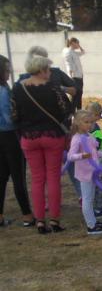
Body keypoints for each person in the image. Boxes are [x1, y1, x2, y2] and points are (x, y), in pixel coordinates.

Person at [12, 55, 69, 234]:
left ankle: (39, 221)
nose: (50, 73)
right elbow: (65, 111)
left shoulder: (18, 88)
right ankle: (54, 220)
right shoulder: (53, 88)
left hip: (29, 137)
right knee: (53, 178)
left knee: (37, 179)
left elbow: (14, 115)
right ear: (42, 70)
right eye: (49, 69)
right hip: (52, 135)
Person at [66, 110, 102, 235]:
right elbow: (70, 156)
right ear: (77, 123)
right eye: (86, 122)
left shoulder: (89, 135)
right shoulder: (77, 139)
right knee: (87, 199)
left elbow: (94, 153)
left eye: (91, 122)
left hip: (93, 172)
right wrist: (83, 155)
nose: (89, 125)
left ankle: (93, 221)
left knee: (91, 198)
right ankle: (91, 226)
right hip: (84, 174)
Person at [0, 55, 34, 228]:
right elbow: (9, 117)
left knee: (2, 177)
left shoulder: (5, 88)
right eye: (6, 70)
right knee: (18, 176)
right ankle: (27, 215)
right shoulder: (4, 91)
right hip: (10, 136)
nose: (9, 73)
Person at [61, 37, 84, 110]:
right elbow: (69, 64)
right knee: (75, 95)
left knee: (79, 94)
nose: (78, 45)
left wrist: (78, 46)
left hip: (79, 76)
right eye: (77, 43)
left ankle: (79, 110)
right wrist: (71, 78)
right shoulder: (68, 52)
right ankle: (72, 112)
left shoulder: (74, 52)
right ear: (73, 43)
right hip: (74, 77)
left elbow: (83, 52)